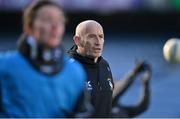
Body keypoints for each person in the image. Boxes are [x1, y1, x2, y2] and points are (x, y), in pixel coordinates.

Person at [0, 0, 92, 117]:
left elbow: (82, 113)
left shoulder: (75, 71)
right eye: (47, 20)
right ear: (29, 27)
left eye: (59, 21)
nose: (55, 26)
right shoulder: (4, 67)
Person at [68, 20, 151, 117]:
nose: (98, 42)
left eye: (101, 37)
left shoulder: (105, 66)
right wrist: (133, 74)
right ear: (77, 40)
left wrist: (145, 82)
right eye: (91, 37)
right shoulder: (68, 69)